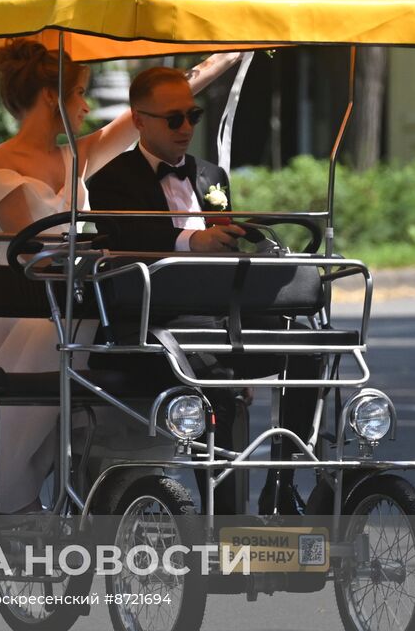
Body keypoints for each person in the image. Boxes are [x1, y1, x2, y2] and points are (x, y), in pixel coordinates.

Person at [0, 43, 240, 514]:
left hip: (81, 304)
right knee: (26, 419)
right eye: (81, 93)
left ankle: (111, 501)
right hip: (29, 310)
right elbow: (32, 249)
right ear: (53, 97)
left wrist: (224, 58)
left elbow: (151, 112)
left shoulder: (77, 156)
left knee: (118, 361)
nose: (87, 106)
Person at [86, 66, 315, 516]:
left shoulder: (211, 176)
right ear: (139, 120)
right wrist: (191, 242)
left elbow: (226, 242)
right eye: (173, 119)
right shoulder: (112, 180)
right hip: (156, 318)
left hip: (220, 310)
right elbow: (123, 242)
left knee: (306, 342)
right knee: (219, 378)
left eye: (192, 114)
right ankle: (222, 519)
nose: (187, 127)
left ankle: (283, 484)